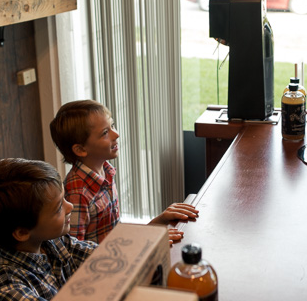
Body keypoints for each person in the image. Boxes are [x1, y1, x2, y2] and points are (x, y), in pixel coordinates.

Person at [50, 99, 198, 244]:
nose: (116, 134)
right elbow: (74, 253)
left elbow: (116, 237)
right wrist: (148, 240)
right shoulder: (78, 193)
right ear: (81, 149)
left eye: (112, 125)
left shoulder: (106, 172)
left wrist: (160, 222)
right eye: (105, 133)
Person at [0, 158, 97, 300]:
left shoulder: (50, 241)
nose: (70, 206)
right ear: (22, 232)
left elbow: (97, 255)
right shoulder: (6, 288)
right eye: (59, 207)